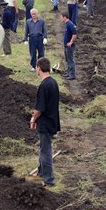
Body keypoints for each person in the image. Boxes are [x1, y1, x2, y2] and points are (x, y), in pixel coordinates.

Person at [29, 57, 60, 187]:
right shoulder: (53, 82)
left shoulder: (44, 86)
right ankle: (41, 171)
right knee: (43, 147)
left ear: (39, 68)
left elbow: (39, 109)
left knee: (46, 151)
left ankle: (49, 180)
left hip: (45, 123)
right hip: (52, 121)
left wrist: (33, 119)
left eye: (36, 67)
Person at [61, 12, 77, 80]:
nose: (61, 18)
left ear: (65, 17)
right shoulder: (67, 24)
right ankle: (68, 72)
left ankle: (72, 75)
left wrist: (71, 42)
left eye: (61, 17)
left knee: (70, 60)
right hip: (66, 45)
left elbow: (75, 34)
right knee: (67, 59)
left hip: (70, 46)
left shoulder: (70, 24)